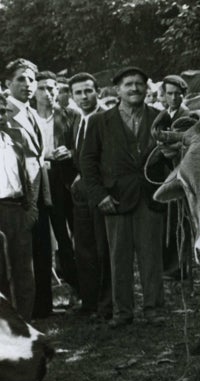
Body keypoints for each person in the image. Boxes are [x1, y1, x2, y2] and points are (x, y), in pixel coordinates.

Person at [80, 66, 166, 328]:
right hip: (114, 200)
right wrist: (99, 196)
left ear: (146, 88)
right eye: (128, 84)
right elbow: (87, 162)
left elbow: (172, 156)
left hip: (151, 196)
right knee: (119, 259)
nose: (134, 88)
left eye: (140, 83)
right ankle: (122, 312)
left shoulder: (160, 117)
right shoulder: (99, 122)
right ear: (117, 89)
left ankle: (154, 309)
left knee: (152, 258)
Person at [4, 58, 53, 319]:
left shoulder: (32, 112)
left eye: (32, 79)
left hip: (39, 191)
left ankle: (43, 307)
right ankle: (22, 312)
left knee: (41, 249)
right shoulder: (5, 114)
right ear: (7, 83)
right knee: (19, 257)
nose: (28, 84)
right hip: (19, 196)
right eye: (21, 79)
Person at [34, 71, 80, 305]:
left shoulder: (69, 115)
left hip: (63, 181)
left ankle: (78, 287)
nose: (48, 93)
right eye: (42, 88)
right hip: (37, 181)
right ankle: (45, 296)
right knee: (42, 239)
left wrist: (70, 153)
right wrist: (45, 156)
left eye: (52, 88)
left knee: (68, 236)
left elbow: (82, 149)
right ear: (34, 90)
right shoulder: (27, 116)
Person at [69, 72, 112, 320]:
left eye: (88, 91)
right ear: (72, 96)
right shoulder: (78, 120)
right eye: (78, 93)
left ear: (97, 91)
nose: (84, 97)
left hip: (101, 191)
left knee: (103, 249)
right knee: (84, 248)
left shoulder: (106, 118)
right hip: (82, 193)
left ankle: (107, 304)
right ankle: (90, 302)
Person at [0, 92, 36, 320]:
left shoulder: (15, 137)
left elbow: (29, 174)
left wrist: (30, 207)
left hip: (17, 209)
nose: (1, 116)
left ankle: (24, 321)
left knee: (24, 269)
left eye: (3, 111)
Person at [154, 74, 192, 280]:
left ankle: (182, 266)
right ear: (164, 95)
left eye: (178, 94)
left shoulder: (187, 115)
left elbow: (190, 142)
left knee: (182, 219)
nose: (174, 97)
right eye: (170, 94)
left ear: (184, 95)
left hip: (182, 171)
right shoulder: (164, 115)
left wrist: (174, 146)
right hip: (166, 171)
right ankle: (170, 265)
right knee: (170, 219)